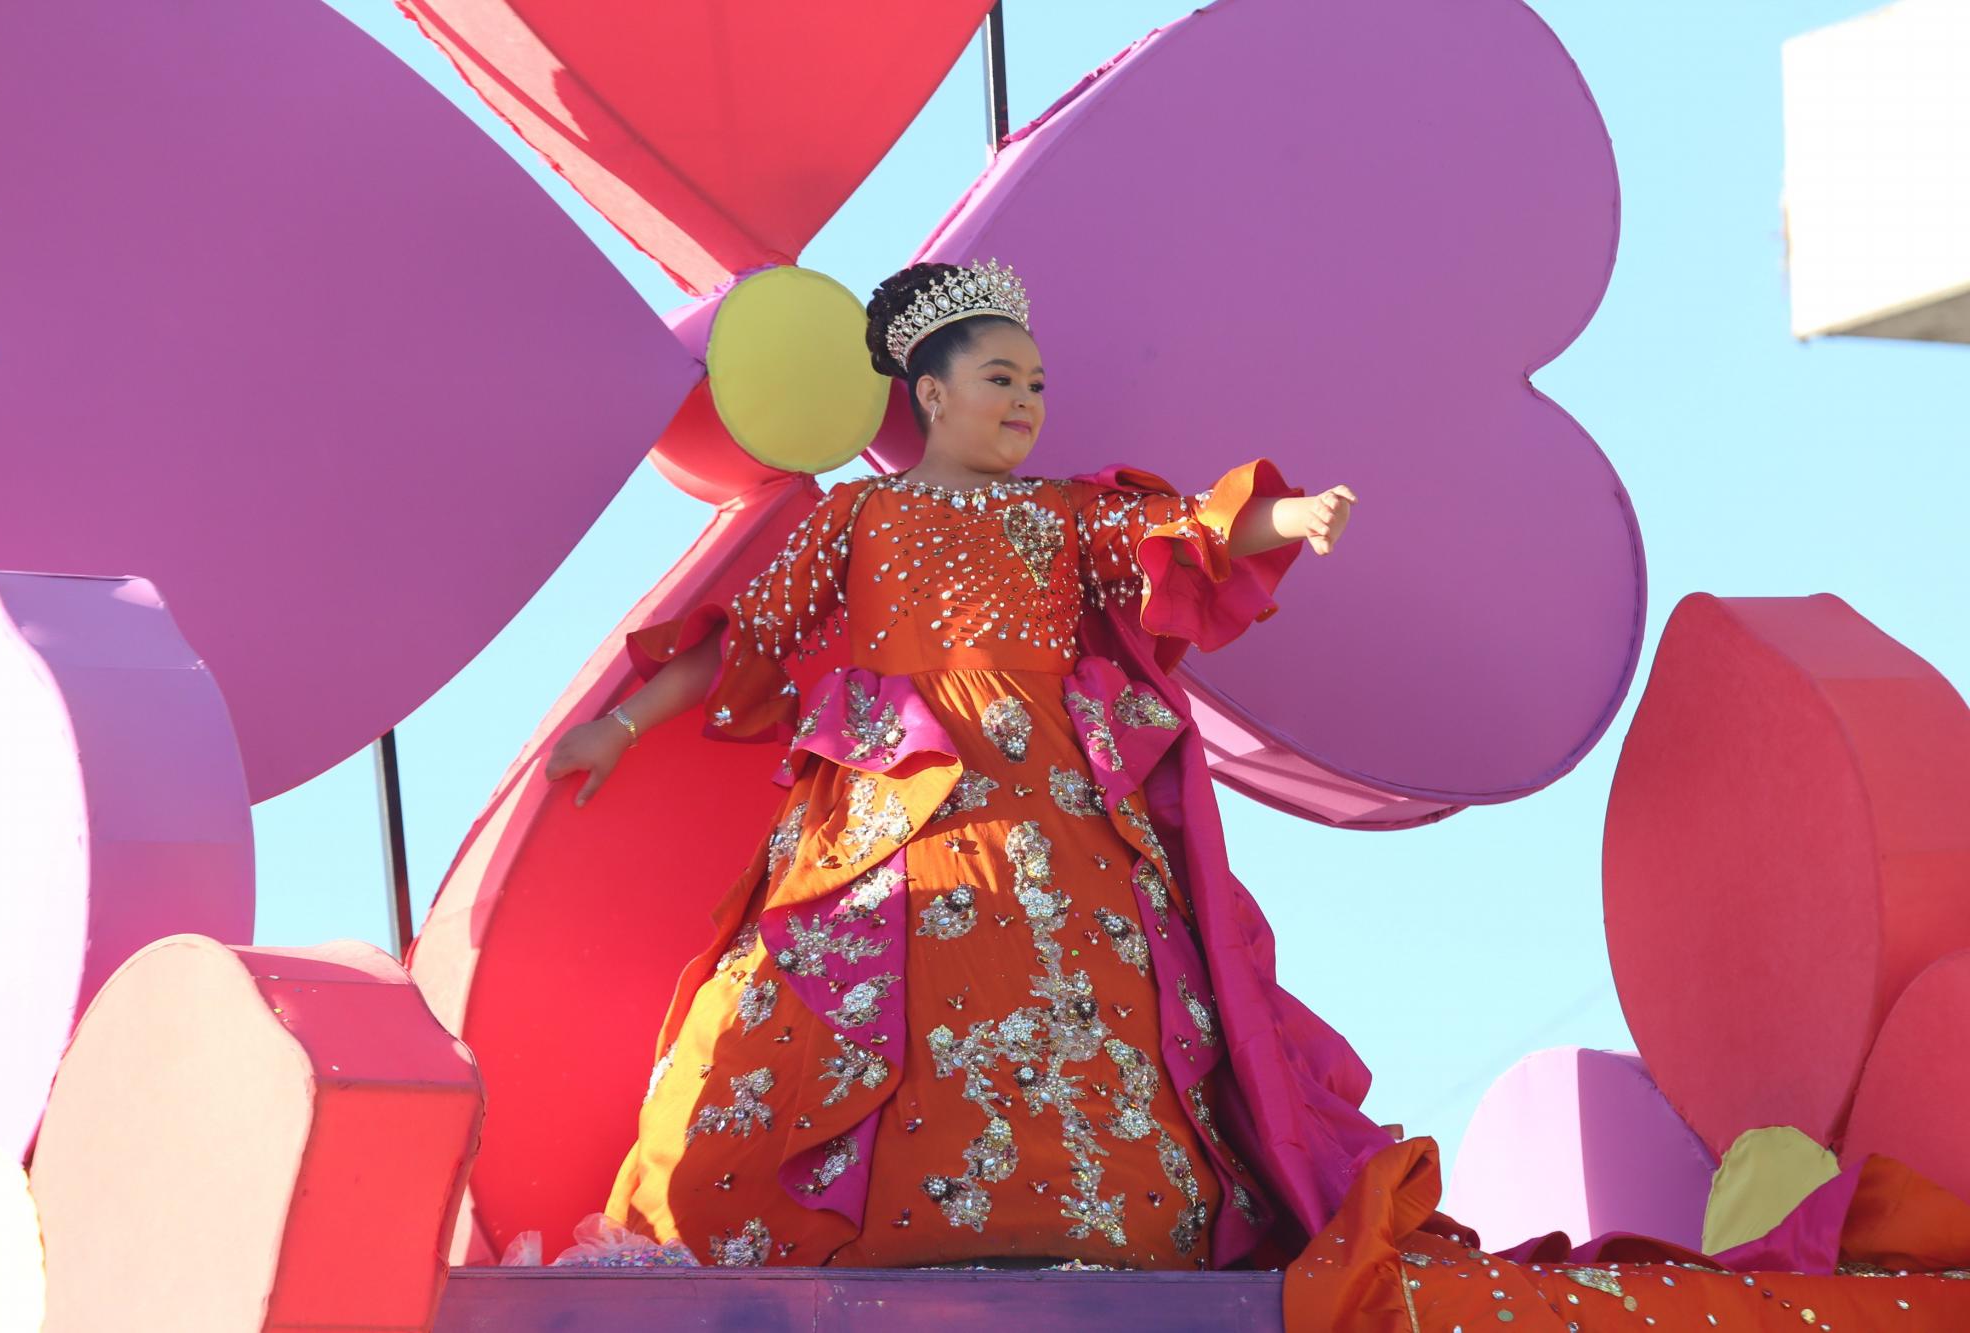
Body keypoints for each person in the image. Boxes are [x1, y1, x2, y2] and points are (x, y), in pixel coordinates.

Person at [545, 261, 1970, 1328]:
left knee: (1088, 1010)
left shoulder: (1065, 518)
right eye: (1001, 380)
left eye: (1035, 382)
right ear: (925, 393)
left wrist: (1284, 516)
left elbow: (1183, 535)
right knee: (826, 1002)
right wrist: (616, 722)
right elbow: (749, 642)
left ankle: (1078, 1226)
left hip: (1062, 824)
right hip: (891, 818)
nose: (1026, 401)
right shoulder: (849, 521)